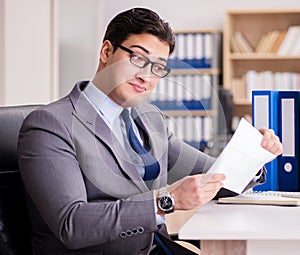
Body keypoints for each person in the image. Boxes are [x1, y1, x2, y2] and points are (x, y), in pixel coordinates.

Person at [17, 7, 283, 255]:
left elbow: (214, 178)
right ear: (106, 51)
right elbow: (71, 223)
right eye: (137, 58)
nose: (147, 76)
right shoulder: (50, 124)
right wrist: (165, 201)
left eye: (157, 67)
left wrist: (251, 156)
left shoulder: (149, 120)